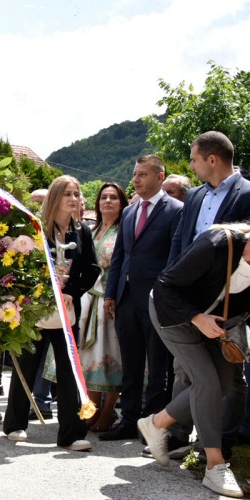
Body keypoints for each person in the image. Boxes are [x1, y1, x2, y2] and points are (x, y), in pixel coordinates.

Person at [141, 224, 250, 498]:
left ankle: (156, 423)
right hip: (173, 314)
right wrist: (196, 318)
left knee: (223, 384)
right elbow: (165, 286)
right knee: (206, 382)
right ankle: (215, 465)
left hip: (215, 324)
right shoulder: (217, 243)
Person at [165, 131, 250, 457]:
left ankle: (217, 445)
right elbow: (181, 240)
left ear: (212, 159)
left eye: (193, 159)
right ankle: (176, 436)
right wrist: (171, 277)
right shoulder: (196, 196)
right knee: (185, 367)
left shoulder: (247, 194)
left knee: (229, 372)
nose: (191, 165)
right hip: (189, 297)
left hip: (231, 298)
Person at [3, 175, 100, 451]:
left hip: (67, 312)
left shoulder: (82, 231)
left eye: (76, 194)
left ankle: (72, 433)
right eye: (68, 194)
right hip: (37, 309)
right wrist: (45, 288)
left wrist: (73, 291)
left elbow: (92, 268)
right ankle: (15, 425)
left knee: (69, 372)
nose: (74, 199)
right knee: (27, 366)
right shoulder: (35, 229)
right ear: (55, 197)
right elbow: (22, 267)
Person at [100, 155, 183, 441]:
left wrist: (164, 294)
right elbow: (120, 256)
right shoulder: (129, 212)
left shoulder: (176, 210)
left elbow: (175, 257)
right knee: (131, 365)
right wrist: (111, 294)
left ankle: (154, 426)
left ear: (160, 177)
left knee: (158, 367)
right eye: (135, 174)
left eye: (143, 174)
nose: (136, 179)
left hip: (156, 300)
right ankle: (128, 421)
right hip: (126, 299)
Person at [77, 183, 127, 432]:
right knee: (90, 358)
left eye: (114, 197)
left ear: (122, 203)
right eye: (103, 197)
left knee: (109, 357)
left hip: (109, 302)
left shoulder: (124, 231)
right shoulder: (91, 229)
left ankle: (108, 412)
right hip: (87, 300)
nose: (108, 201)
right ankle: (92, 410)